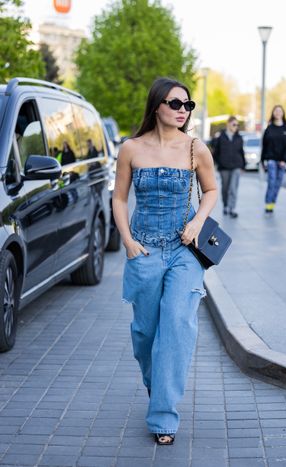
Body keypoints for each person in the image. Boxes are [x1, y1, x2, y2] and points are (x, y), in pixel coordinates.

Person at [112, 77, 217, 445]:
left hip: (183, 252)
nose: (182, 111)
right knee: (144, 335)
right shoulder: (131, 148)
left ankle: (163, 417)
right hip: (144, 249)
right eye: (175, 104)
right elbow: (120, 198)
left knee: (176, 328)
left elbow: (211, 189)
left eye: (187, 105)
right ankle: (157, 387)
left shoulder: (195, 148)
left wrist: (197, 221)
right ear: (157, 105)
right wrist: (127, 241)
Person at [261, 105, 286, 213]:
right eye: (276, 111)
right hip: (271, 159)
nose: (278, 112)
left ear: (283, 113)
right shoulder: (269, 128)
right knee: (271, 181)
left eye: (280, 111)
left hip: (282, 160)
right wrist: (262, 160)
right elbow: (264, 145)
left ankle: (272, 202)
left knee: (278, 182)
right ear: (273, 113)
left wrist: (284, 159)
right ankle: (268, 203)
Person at [212, 116, 245, 218]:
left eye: (237, 125)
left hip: (236, 166)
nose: (236, 127)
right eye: (234, 124)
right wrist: (218, 163)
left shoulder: (239, 138)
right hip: (224, 167)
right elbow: (215, 152)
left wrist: (243, 165)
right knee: (225, 188)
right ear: (228, 124)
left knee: (233, 188)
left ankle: (232, 208)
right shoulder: (220, 137)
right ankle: (226, 205)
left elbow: (241, 152)